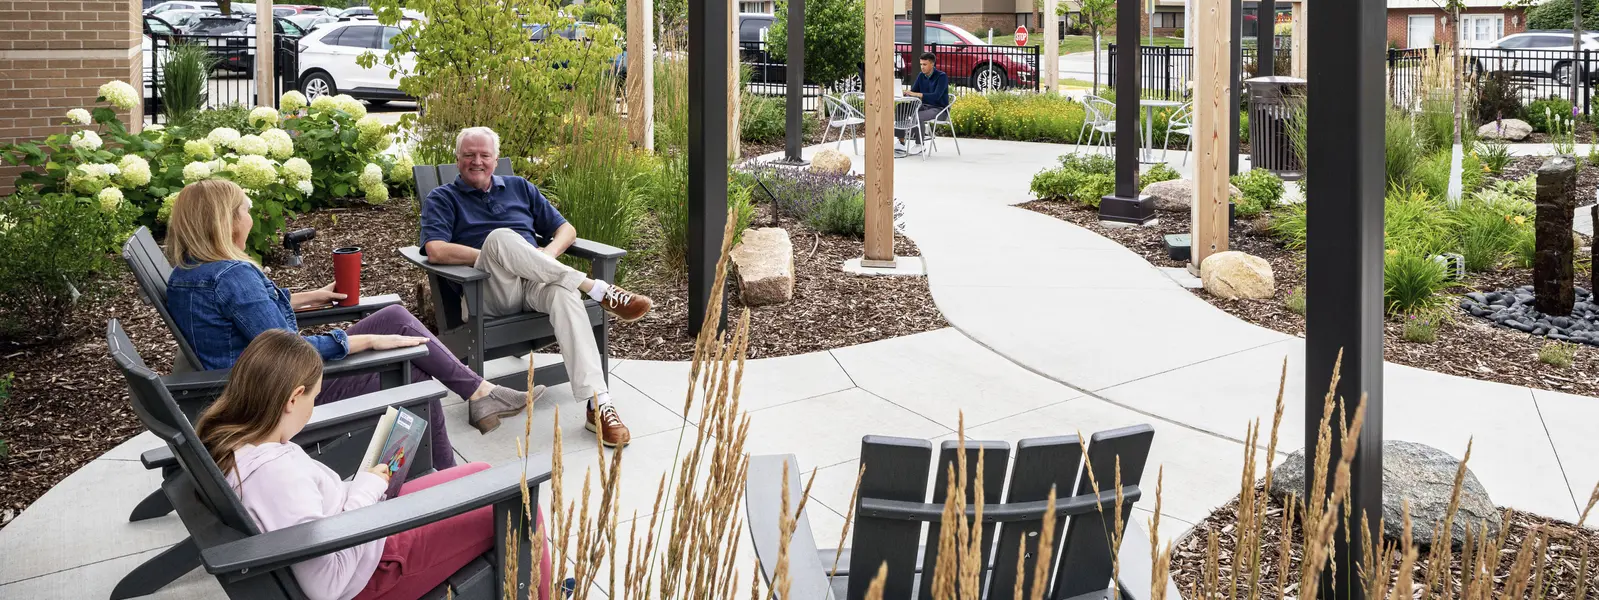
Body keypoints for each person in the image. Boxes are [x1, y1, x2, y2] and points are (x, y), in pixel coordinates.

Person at [165, 179, 539, 472]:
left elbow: (241, 317)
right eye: (245, 210)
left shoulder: (190, 273)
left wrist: (307, 296)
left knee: (394, 316)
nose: (250, 216)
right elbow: (289, 355)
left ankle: (479, 393)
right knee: (416, 382)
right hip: (277, 395)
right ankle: (443, 476)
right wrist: (362, 342)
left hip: (250, 381)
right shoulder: (234, 276)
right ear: (227, 222)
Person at [195, 329, 553, 600]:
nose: (313, 408)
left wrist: (364, 486)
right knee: (519, 500)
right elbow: (325, 583)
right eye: (314, 398)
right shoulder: (275, 477)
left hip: (364, 530)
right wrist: (366, 489)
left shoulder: (242, 444)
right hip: (375, 567)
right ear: (292, 399)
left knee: (481, 476)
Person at [420, 127, 652, 448]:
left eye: (484, 155)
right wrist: (496, 256)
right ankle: (597, 289)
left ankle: (598, 404)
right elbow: (435, 249)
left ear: (496, 159)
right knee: (500, 239)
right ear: (457, 159)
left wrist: (546, 255)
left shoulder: (519, 188)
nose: (477, 161)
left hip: (534, 284)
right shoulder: (443, 198)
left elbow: (566, 230)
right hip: (487, 291)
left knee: (564, 292)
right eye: (469, 155)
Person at [899, 52, 950, 152]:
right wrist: (908, 94)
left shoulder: (941, 77)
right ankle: (901, 141)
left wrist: (919, 94)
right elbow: (914, 91)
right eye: (921, 64)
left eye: (925, 64)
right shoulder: (921, 76)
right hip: (924, 106)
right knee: (901, 108)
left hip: (940, 109)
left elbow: (936, 96)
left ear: (932, 64)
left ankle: (919, 145)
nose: (922, 67)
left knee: (917, 115)